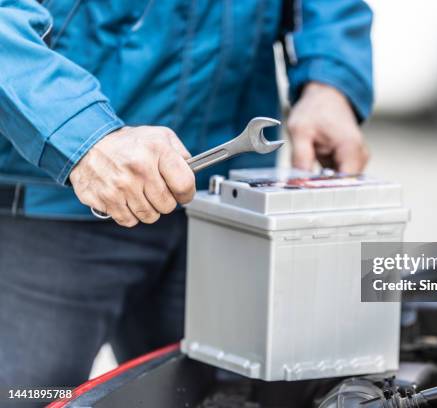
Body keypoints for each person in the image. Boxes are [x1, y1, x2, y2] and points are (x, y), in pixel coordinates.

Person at [0, 0, 373, 389]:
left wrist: (330, 82)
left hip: (225, 201)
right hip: (50, 198)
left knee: (225, 394)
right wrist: (80, 133)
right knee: (24, 393)